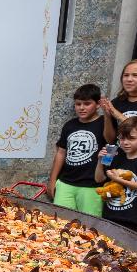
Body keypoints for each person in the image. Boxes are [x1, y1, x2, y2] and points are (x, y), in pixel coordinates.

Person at [47, 84, 105, 216]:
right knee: (59, 221)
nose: (82, 108)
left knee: (90, 226)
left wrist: (108, 114)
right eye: (78, 104)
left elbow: (112, 138)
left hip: (91, 186)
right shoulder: (70, 125)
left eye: (87, 103)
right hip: (66, 182)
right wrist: (52, 180)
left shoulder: (103, 123)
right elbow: (61, 153)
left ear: (97, 104)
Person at [95, 117, 137, 234]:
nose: (125, 142)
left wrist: (119, 180)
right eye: (122, 138)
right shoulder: (116, 155)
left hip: (131, 218)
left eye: (131, 138)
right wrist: (99, 161)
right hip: (109, 214)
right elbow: (99, 179)